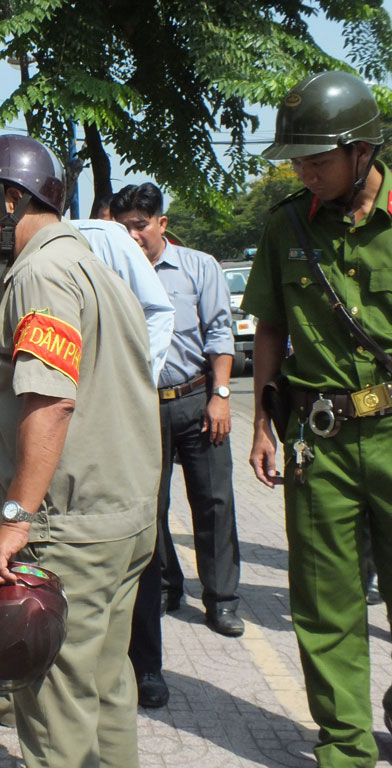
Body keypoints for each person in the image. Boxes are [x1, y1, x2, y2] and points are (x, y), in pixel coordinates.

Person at [0, 134, 159, 768]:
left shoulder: (40, 273)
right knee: (108, 686)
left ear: (10, 200)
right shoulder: (93, 266)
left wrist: (14, 521)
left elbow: (52, 401)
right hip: (123, 518)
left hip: (68, 527)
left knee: (55, 707)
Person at [244, 70, 392, 766]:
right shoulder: (286, 227)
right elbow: (270, 327)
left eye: (316, 156)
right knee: (326, 607)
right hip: (319, 440)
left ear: (362, 150)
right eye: (296, 158)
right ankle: (346, 750)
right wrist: (261, 424)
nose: (303, 169)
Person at [112, 182, 241, 712]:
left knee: (213, 501)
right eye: (125, 226)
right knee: (152, 507)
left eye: (141, 224)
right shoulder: (113, 271)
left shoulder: (198, 266)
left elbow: (220, 330)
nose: (133, 235)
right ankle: (167, 585)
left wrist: (223, 396)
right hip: (142, 407)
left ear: (162, 223)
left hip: (196, 400)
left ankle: (222, 598)